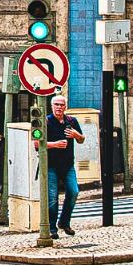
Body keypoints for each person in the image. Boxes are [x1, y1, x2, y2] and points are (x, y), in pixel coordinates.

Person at [43, 95, 86, 239]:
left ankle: (64, 222)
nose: (59, 107)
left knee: (74, 192)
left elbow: (82, 140)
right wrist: (55, 144)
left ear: (65, 107)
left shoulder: (71, 121)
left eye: (61, 105)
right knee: (52, 198)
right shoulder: (46, 121)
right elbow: (37, 144)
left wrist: (76, 135)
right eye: (56, 104)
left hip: (68, 165)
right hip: (51, 166)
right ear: (52, 106)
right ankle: (52, 227)